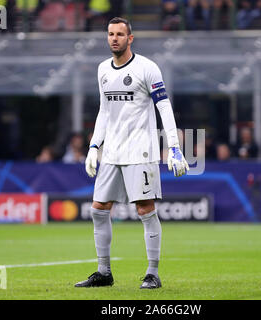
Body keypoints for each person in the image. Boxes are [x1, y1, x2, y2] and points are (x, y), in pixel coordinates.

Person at [74, 17, 189, 290]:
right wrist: (93, 146)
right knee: (99, 209)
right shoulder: (103, 69)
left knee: (145, 209)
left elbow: (164, 108)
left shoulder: (147, 68)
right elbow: (104, 111)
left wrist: (174, 147)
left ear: (130, 38)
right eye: (111, 34)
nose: (114, 38)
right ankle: (104, 272)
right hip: (112, 152)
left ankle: (153, 273)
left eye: (120, 34)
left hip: (141, 150)